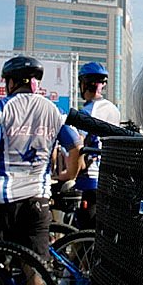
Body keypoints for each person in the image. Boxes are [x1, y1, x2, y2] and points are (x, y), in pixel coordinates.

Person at [0, 55, 82, 285]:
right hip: (38, 201)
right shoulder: (54, 110)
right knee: (33, 272)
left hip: (2, 202)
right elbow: (77, 147)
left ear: (11, 82)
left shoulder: (0, 107)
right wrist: (69, 175)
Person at [59, 62, 120, 229]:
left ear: (84, 84)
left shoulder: (88, 112)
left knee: (83, 231)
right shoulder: (113, 109)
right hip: (107, 177)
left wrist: (67, 174)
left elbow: (78, 145)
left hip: (88, 179)